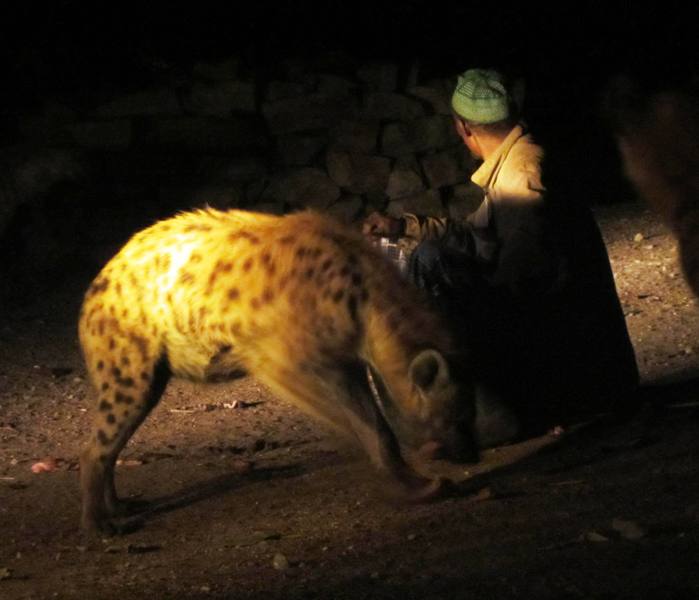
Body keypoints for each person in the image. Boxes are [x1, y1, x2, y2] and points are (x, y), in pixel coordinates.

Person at [364, 68, 639, 437]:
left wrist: (457, 308)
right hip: (568, 339)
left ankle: (470, 415)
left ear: (462, 128)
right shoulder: (520, 162)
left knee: (428, 265)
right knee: (431, 260)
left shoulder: (524, 173)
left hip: (566, 353)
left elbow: (523, 277)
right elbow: (477, 236)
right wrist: (405, 227)